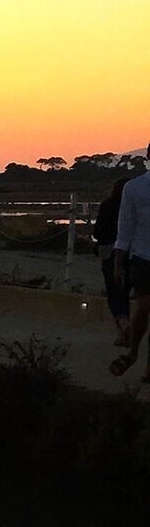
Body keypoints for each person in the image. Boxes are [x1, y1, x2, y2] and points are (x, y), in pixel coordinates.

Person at [110, 147, 150, 381]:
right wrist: (118, 261)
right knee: (144, 307)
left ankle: (147, 367)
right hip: (143, 257)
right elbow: (124, 228)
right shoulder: (134, 188)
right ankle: (134, 350)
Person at [95, 169, 130, 342]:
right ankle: (123, 332)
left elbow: (97, 231)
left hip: (109, 251)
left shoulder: (107, 205)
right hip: (131, 251)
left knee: (112, 290)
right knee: (125, 291)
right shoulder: (133, 206)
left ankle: (122, 323)